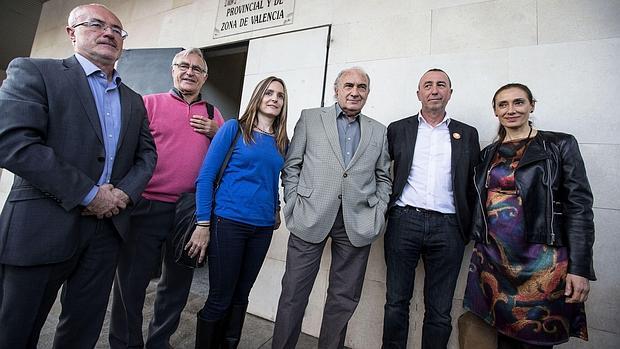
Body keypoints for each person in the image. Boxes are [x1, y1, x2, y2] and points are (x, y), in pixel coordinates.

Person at [0, 3, 157, 348]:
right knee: (15, 331)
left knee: (82, 331)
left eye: (117, 30)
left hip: (106, 231)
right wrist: (91, 194)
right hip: (42, 225)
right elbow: (13, 142)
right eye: (96, 25)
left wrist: (122, 196)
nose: (108, 33)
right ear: (72, 34)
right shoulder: (34, 72)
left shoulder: (134, 100)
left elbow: (147, 156)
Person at [461, 83, 596, 348]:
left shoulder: (559, 144)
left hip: (543, 263)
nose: (511, 110)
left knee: (536, 337)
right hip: (494, 259)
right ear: (495, 111)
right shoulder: (488, 153)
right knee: (500, 334)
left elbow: (579, 207)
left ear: (532, 105)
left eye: (518, 102)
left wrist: (580, 268)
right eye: (503, 104)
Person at [109, 48, 225, 349]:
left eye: (197, 69)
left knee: (176, 285)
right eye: (183, 66)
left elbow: (227, 160)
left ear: (205, 77)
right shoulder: (148, 104)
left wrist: (217, 132)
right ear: (173, 70)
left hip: (189, 210)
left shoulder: (214, 115)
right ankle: (126, 344)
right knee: (130, 284)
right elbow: (126, 152)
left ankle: (159, 343)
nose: (190, 72)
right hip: (146, 205)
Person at [272, 67, 392, 349]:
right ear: (336, 90)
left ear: (367, 93)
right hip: (309, 216)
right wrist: (294, 201)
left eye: (361, 87)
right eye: (348, 85)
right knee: (293, 294)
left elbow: (384, 176)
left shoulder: (378, 130)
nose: (355, 91)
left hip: (357, 221)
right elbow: (292, 165)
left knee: (343, 298)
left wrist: (378, 210)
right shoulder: (311, 118)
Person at [186, 76, 289, 348]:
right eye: (269, 93)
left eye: (280, 95)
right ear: (258, 96)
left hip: (262, 228)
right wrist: (203, 223)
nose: (274, 99)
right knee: (221, 297)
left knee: (242, 296)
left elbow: (273, 178)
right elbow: (206, 176)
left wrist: (276, 208)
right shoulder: (234, 129)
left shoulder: (281, 141)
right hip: (228, 222)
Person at [382, 69, 480, 349]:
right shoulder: (397, 129)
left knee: (439, 309)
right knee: (396, 302)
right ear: (418, 94)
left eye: (441, 85)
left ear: (450, 92)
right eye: (428, 85)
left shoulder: (468, 134)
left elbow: (474, 184)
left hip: (449, 228)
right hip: (404, 222)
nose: (434, 90)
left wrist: (467, 227)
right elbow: (378, 172)